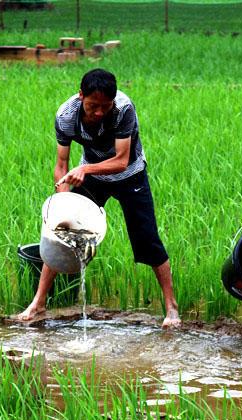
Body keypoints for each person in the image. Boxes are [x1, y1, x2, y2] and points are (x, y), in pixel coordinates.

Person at [18, 69, 181, 328]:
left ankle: (171, 308)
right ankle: (38, 302)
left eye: (104, 107)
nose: (98, 112)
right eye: (93, 106)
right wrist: (63, 206)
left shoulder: (123, 109)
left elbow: (121, 160)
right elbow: (61, 165)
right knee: (60, 234)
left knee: (147, 240)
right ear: (81, 95)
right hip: (92, 177)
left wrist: (85, 169)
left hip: (130, 176)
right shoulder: (66, 116)